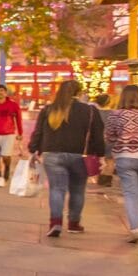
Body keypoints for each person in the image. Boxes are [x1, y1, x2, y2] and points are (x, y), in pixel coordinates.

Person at [28, 79, 106, 237]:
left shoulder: (49, 109)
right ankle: (74, 223)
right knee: (77, 190)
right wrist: (101, 155)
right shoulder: (89, 110)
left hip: (52, 154)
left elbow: (38, 132)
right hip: (80, 156)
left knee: (57, 189)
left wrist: (33, 150)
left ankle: (55, 222)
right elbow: (98, 135)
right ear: (79, 92)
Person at [104, 84, 138, 243]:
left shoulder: (116, 114)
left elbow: (109, 137)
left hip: (125, 157)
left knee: (130, 194)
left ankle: (134, 228)